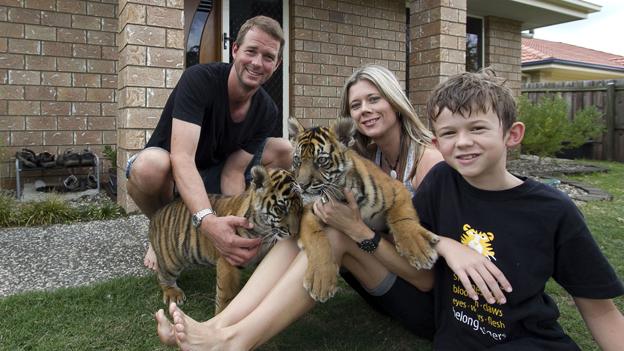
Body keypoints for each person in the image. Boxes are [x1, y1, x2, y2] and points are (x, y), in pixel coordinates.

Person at [155, 65, 512, 350]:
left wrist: (360, 231)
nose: (366, 110)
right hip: (381, 269)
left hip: (424, 293)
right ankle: (219, 325)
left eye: (375, 99)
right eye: (356, 105)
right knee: (304, 230)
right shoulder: (367, 156)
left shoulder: (430, 163)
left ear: (395, 101)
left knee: (336, 235)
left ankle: (234, 341)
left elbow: (428, 270)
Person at [412, 69, 624, 349]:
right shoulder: (440, 181)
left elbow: (601, 311)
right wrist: (446, 245)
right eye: (449, 132)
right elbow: (404, 230)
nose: (462, 142)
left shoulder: (553, 210)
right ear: (437, 144)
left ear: (512, 134)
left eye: (477, 128)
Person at [125, 16, 293, 271]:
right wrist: (207, 220)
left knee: (285, 150)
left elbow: (234, 171)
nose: (258, 63)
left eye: (268, 57)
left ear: (277, 64)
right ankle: (161, 231)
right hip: (171, 173)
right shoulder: (199, 79)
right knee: (148, 166)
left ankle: (215, 222)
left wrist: (237, 225)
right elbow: (181, 159)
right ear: (235, 50)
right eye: (251, 51)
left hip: (212, 172)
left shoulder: (267, 110)